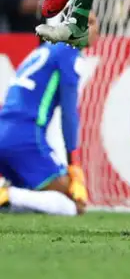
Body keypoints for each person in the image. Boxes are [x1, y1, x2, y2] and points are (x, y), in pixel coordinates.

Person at [0, 18, 95, 216]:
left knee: (34, 200)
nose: (95, 29)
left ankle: (10, 194)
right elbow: (69, 114)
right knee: (72, 205)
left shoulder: (42, 51)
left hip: (7, 130)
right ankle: (7, 194)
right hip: (26, 137)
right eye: (89, 22)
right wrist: (73, 164)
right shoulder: (68, 53)